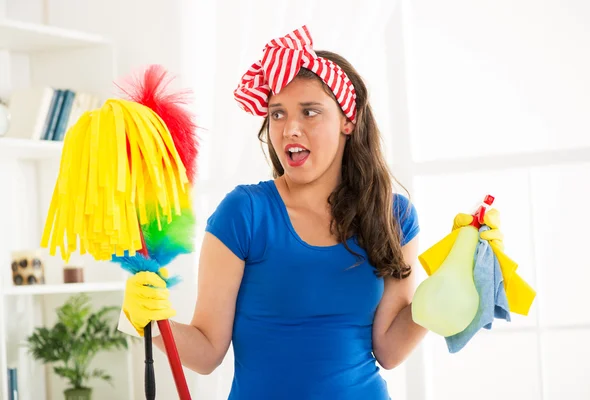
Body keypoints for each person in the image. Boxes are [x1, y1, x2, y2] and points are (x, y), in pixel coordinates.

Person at [120, 25, 502, 399]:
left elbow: (389, 351)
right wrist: (149, 322)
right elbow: (206, 354)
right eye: (278, 114)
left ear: (348, 121)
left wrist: (444, 288)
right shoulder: (244, 213)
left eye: (310, 112)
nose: (290, 129)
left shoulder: (393, 215)